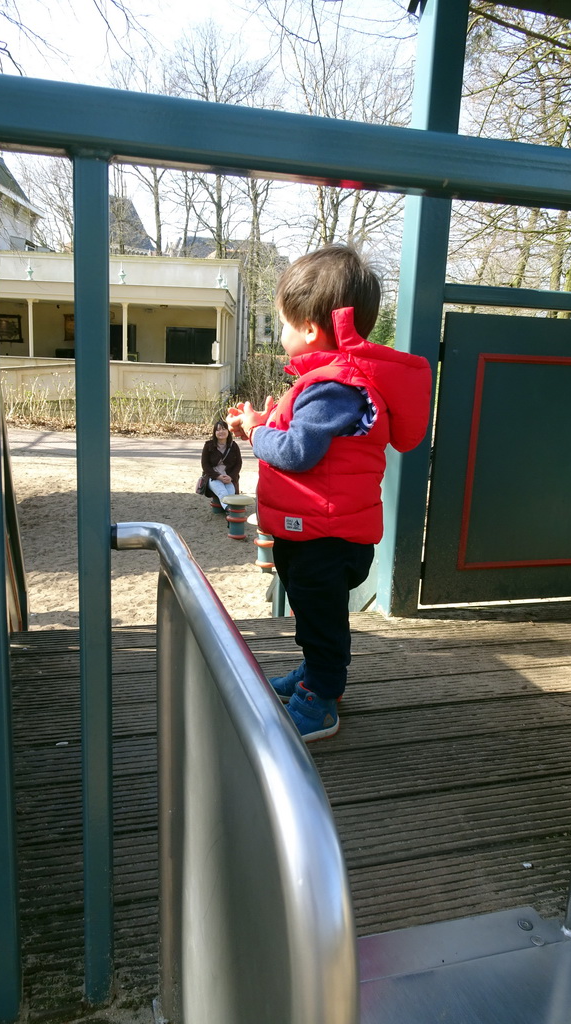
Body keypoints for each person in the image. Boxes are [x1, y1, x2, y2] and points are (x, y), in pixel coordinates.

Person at [227, 245, 431, 742]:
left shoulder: (334, 387)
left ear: (311, 329)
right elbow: (312, 442)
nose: (281, 333)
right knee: (313, 612)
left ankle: (322, 699)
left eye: (282, 322)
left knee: (321, 617)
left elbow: (298, 451)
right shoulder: (329, 386)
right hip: (319, 530)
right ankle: (317, 675)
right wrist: (269, 422)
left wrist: (257, 430)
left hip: (325, 536)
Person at [201, 419, 242, 511]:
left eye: (223, 429)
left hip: (229, 477)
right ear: (215, 432)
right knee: (222, 492)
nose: (221, 432)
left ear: (228, 431)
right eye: (218, 430)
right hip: (213, 477)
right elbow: (205, 465)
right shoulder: (209, 446)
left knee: (231, 493)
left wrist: (231, 477)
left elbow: (238, 464)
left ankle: (228, 510)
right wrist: (218, 476)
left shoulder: (234, 446)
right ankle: (230, 510)